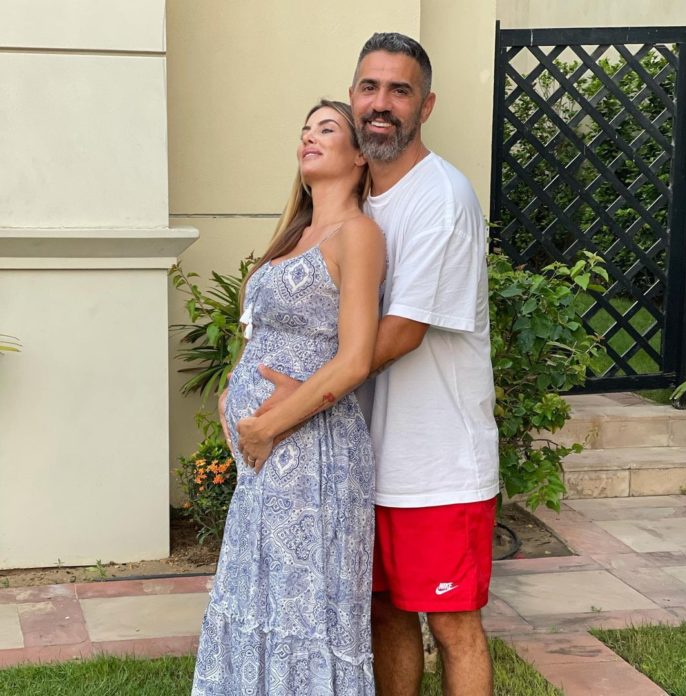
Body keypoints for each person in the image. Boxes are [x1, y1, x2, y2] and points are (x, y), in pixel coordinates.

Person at [249, 33, 499, 696]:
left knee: (453, 625)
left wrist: (297, 401)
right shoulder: (357, 205)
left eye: (399, 90)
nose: (381, 103)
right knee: (383, 614)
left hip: (436, 463)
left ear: (426, 105)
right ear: (354, 97)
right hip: (360, 458)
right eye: (369, 87)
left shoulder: (441, 197)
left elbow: (401, 333)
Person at [191, 99, 385, 695]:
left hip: (313, 450)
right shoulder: (293, 236)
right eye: (305, 130)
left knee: (305, 603)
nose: (309, 138)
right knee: (259, 591)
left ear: (359, 155)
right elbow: (261, 331)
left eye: (327, 129)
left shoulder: (358, 234)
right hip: (263, 455)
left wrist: (268, 425)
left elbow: (354, 359)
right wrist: (234, 386)